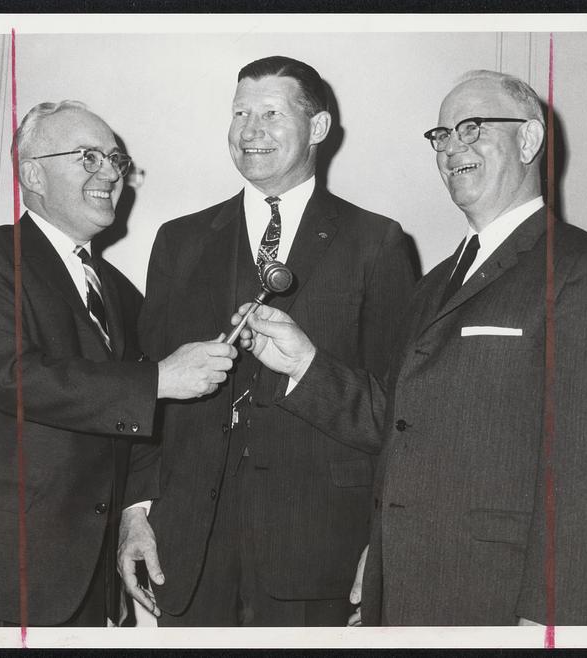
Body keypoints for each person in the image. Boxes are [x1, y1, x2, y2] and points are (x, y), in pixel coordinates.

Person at [235, 70, 587, 626]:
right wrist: (303, 363)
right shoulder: (436, 282)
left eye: (473, 128)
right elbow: (397, 424)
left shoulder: (586, 271)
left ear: (528, 140)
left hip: (499, 603)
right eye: (443, 135)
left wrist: (547, 622)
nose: (453, 147)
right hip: (407, 591)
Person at [117, 56, 416, 626]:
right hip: (187, 555)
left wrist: (382, 546)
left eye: (271, 114)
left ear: (319, 128)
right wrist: (136, 512)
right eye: (239, 114)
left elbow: (396, 414)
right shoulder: (178, 241)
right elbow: (146, 392)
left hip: (320, 553)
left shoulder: (377, 242)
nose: (250, 131)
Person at [0, 100, 237, 627]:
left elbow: (134, 424)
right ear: (32, 174)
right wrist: (160, 377)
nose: (111, 173)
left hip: (88, 587)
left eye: (115, 159)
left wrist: (134, 515)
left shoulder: (120, 292)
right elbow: (13, 377)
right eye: (89, 157)